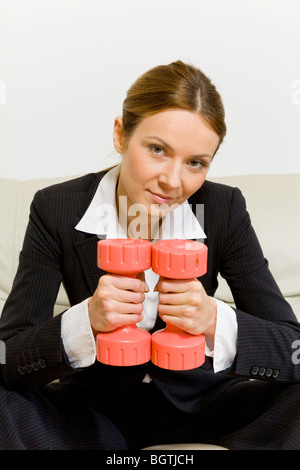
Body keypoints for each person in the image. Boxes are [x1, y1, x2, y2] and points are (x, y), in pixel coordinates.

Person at [0, 60, 300, 450]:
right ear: (120, 135)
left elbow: (295, 349)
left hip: (207, 405)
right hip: (92, 409)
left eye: (195, 163)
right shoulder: (57, 207)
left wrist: (215, 320)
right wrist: (84, 320)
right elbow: (7, 356)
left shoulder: (223, 208)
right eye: (158, 150)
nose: (173, 182)